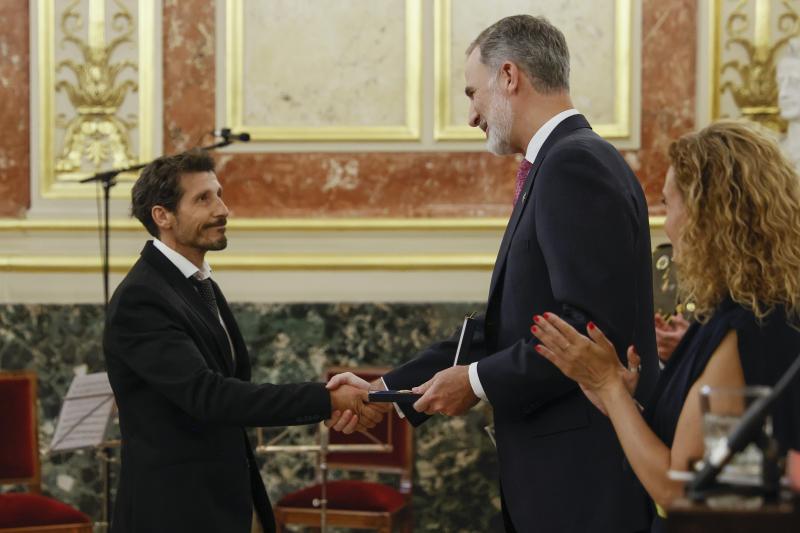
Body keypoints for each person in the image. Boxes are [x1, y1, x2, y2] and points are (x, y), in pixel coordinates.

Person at [331, 15, 659, 533]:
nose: (471, 117)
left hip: (581, 479)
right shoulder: (561, 161)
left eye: (472, 93)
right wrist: (387, 389)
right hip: (562, 476)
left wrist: (475, 382)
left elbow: (586, 333)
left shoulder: (573, 165)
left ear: (509, 76)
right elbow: (511, 326)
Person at [531, 120, 800, 532]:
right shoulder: (750, 311)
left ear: (705, 217)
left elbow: (679, 490)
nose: (667, 224)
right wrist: (624, 398)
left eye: (668, 206)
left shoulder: (747, 327)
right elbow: (719, 451)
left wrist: (607, 385)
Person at [103, 149, 380, 533]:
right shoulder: (142, 298)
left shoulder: (198, 284)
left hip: (222, 500)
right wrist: (327, 399)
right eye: (203, 199)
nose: (223, 209)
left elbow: (231, 388)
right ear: (162, 216)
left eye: (219, 195)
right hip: (174, 511)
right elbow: (210, 396)